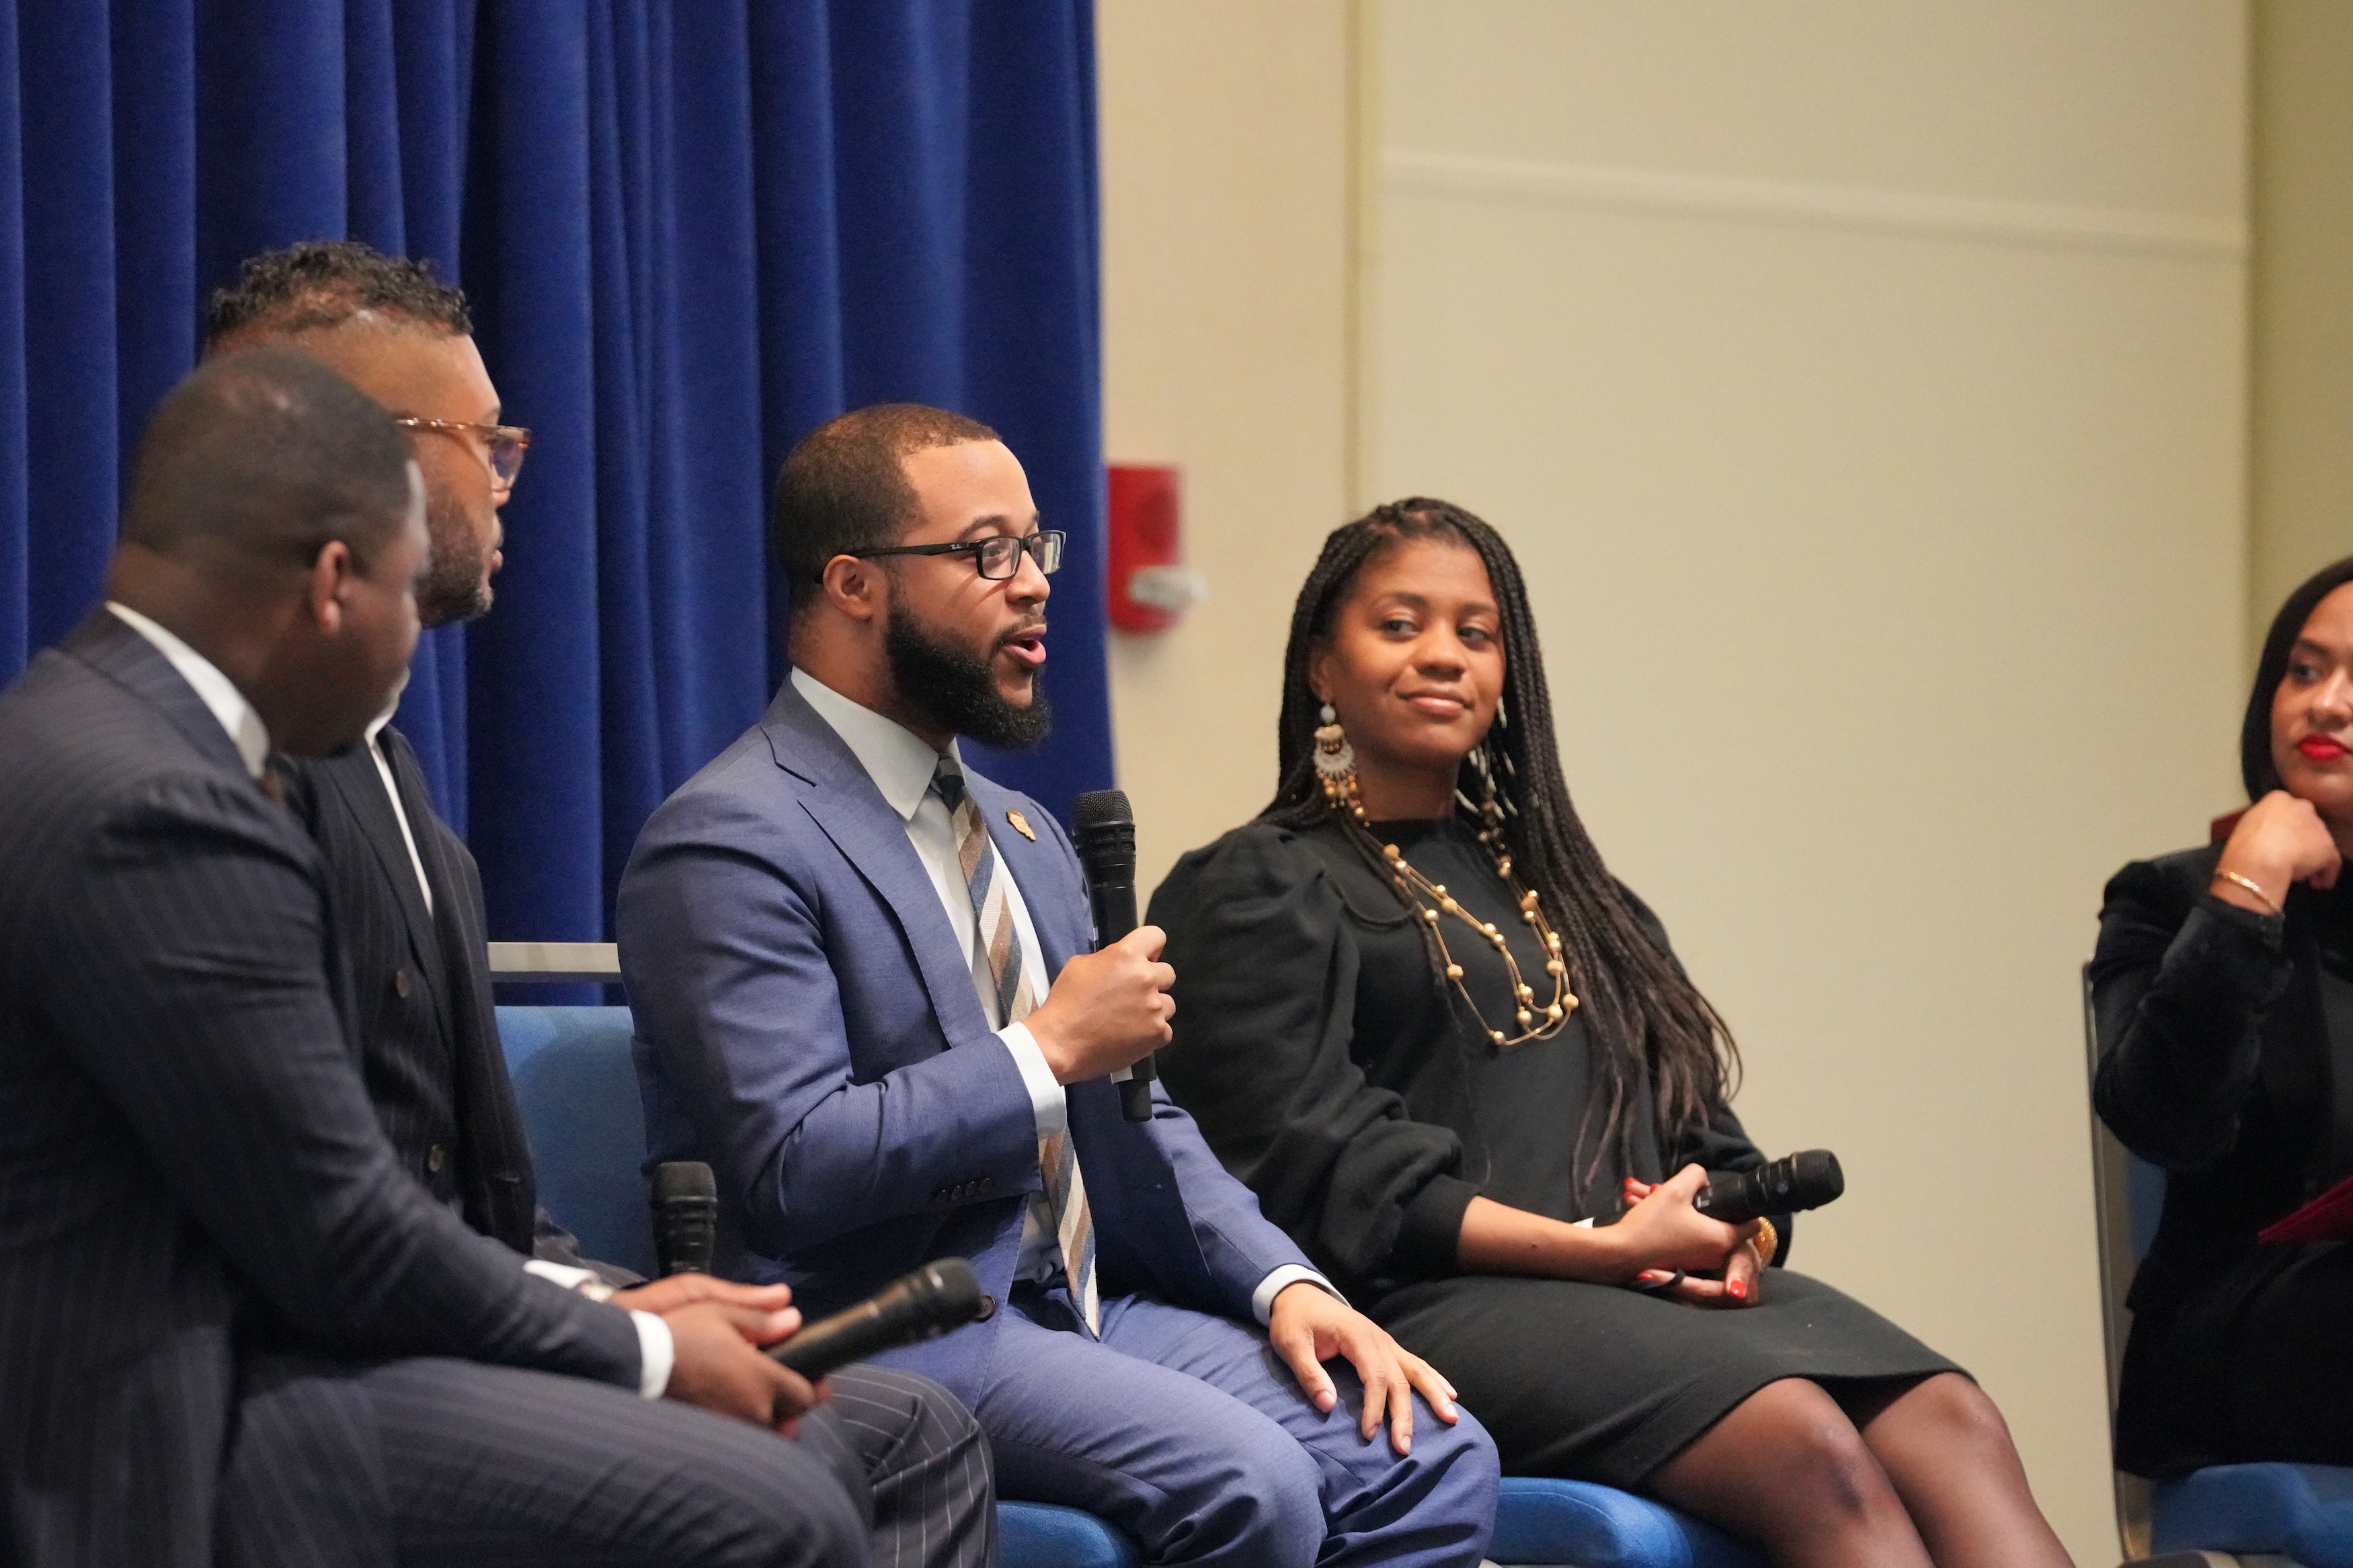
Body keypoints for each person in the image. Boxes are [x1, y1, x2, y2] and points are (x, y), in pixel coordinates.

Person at [0, 348, 868, 1568]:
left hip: (251, 1346)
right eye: (411, 596)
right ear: (333, 583)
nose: (414, 643)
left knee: (791, 1454)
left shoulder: (75, 722)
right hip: (155, 1424)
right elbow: (342, 1229)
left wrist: (616, 1313)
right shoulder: (165, 808)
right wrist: (648, 1348)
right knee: (775, 1507)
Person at [201, 241, 993, 1567]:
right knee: (810, 1475)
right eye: (484, 444)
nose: (508, 482)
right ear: (365, 454)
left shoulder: (396, 785)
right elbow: (320, 1214)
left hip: (455, 1329)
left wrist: (620, 1295)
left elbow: (464, 1186)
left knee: (897, 1424)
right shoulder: (230, 793)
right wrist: (622, 1339)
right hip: (307, 1388)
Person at [619, 406, 1502, 1567]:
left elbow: (1146, 1115)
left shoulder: (1023, 831)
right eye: (989, 553)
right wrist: (1041, 1049)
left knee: (1430, 1452)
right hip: (892, 1322)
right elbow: (793, 1164)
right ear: (852, 584)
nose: (1034, 585)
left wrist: (1283, 1281)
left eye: (1040, 547)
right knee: (1257, 1483)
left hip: (1081, 1304)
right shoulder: (733, 837)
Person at [1149, 499, 2072, 1568]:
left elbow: (1701, 1130)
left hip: (1636, 1291)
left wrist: (1739, 1235)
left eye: (1475, 632)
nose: (1441, 655)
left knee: (1956, 1417)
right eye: (1399, 626)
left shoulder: (1577, 893)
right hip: (1425, 1307)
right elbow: (1315, 1170)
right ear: (1322, 663)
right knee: (1809, 1447)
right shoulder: (1260, 882)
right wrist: (1595, 1251)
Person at [2092, 553, 2353, 1475]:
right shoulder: (2169, 897)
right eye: (2306, 669)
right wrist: (2249, 892)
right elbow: (2163, 1116)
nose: (2326, 704)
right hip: (2236, 1335)